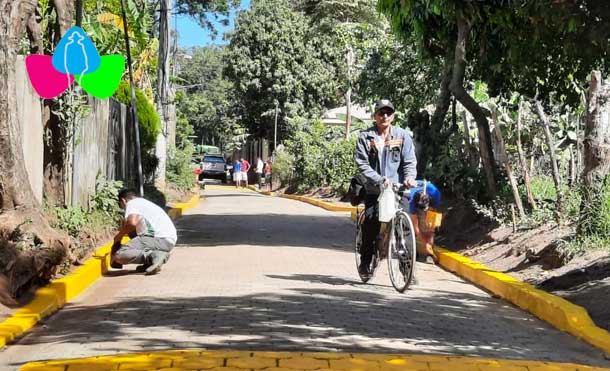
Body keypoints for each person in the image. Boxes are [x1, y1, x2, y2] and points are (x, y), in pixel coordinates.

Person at [354, 99, 417, 277]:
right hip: (375, 189)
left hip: (398, 189)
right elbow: (362, 163)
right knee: (371, 225)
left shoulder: (402, 135)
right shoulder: (365, 137)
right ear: (375, 116)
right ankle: (365, 263)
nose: (385, 116)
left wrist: (410, 177)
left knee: (403, 229)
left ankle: (407, 272)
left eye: (388, 113)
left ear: (393, 116)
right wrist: (379, 179)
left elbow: (410, 161)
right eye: (381, 113)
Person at [111, 189, 178, 275]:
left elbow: (131, 223)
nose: (124, 209)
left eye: (121, 206)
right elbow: (135, 233)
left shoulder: (132, 203)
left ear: (123, 201)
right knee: (133, 237)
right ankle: (150, 261)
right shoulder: (144, 203)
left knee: (120, 255)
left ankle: (154, 255)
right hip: (168, 241)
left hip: (158, 239)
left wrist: (118, 237)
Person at [408, 180, 441, 263]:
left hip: (430, 202)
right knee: (412, 229)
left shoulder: (435, 193)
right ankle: (412, 251)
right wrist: (425, 242)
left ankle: (430, 255)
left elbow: (433, 219)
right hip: (411, 200)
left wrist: (429, 230)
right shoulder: (411, 201)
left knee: (428, 227)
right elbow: (415, 225)